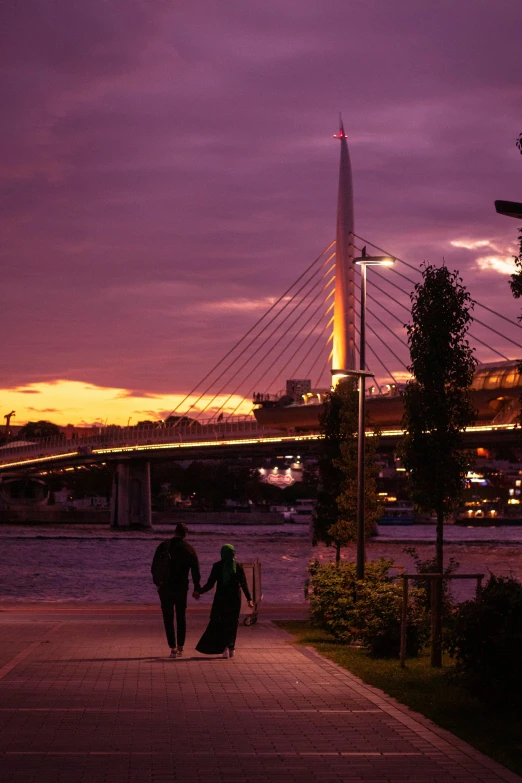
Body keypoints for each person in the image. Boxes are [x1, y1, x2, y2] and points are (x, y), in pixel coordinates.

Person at [194, 544, 253, 659]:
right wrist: (249, 599)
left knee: (221, 622)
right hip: (235, 599)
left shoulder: (217, 566)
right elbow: (243, 584)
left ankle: (225, 648)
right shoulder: (238, 566)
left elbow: (210, 584)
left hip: (221, 599)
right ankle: (231, 647)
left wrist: (199, 592)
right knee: (232, 623)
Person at [152, 522, 201, 658]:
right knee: (181, 616)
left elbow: (154, 566)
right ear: (185, 534)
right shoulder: (189, 549)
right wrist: (197, 588)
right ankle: (180, 647)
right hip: (181, 588)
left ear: (174, 532)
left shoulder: (164, 546)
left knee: (168, 618)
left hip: (165, 587)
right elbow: (195, 571)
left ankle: (172, 647)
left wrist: (157, 583)